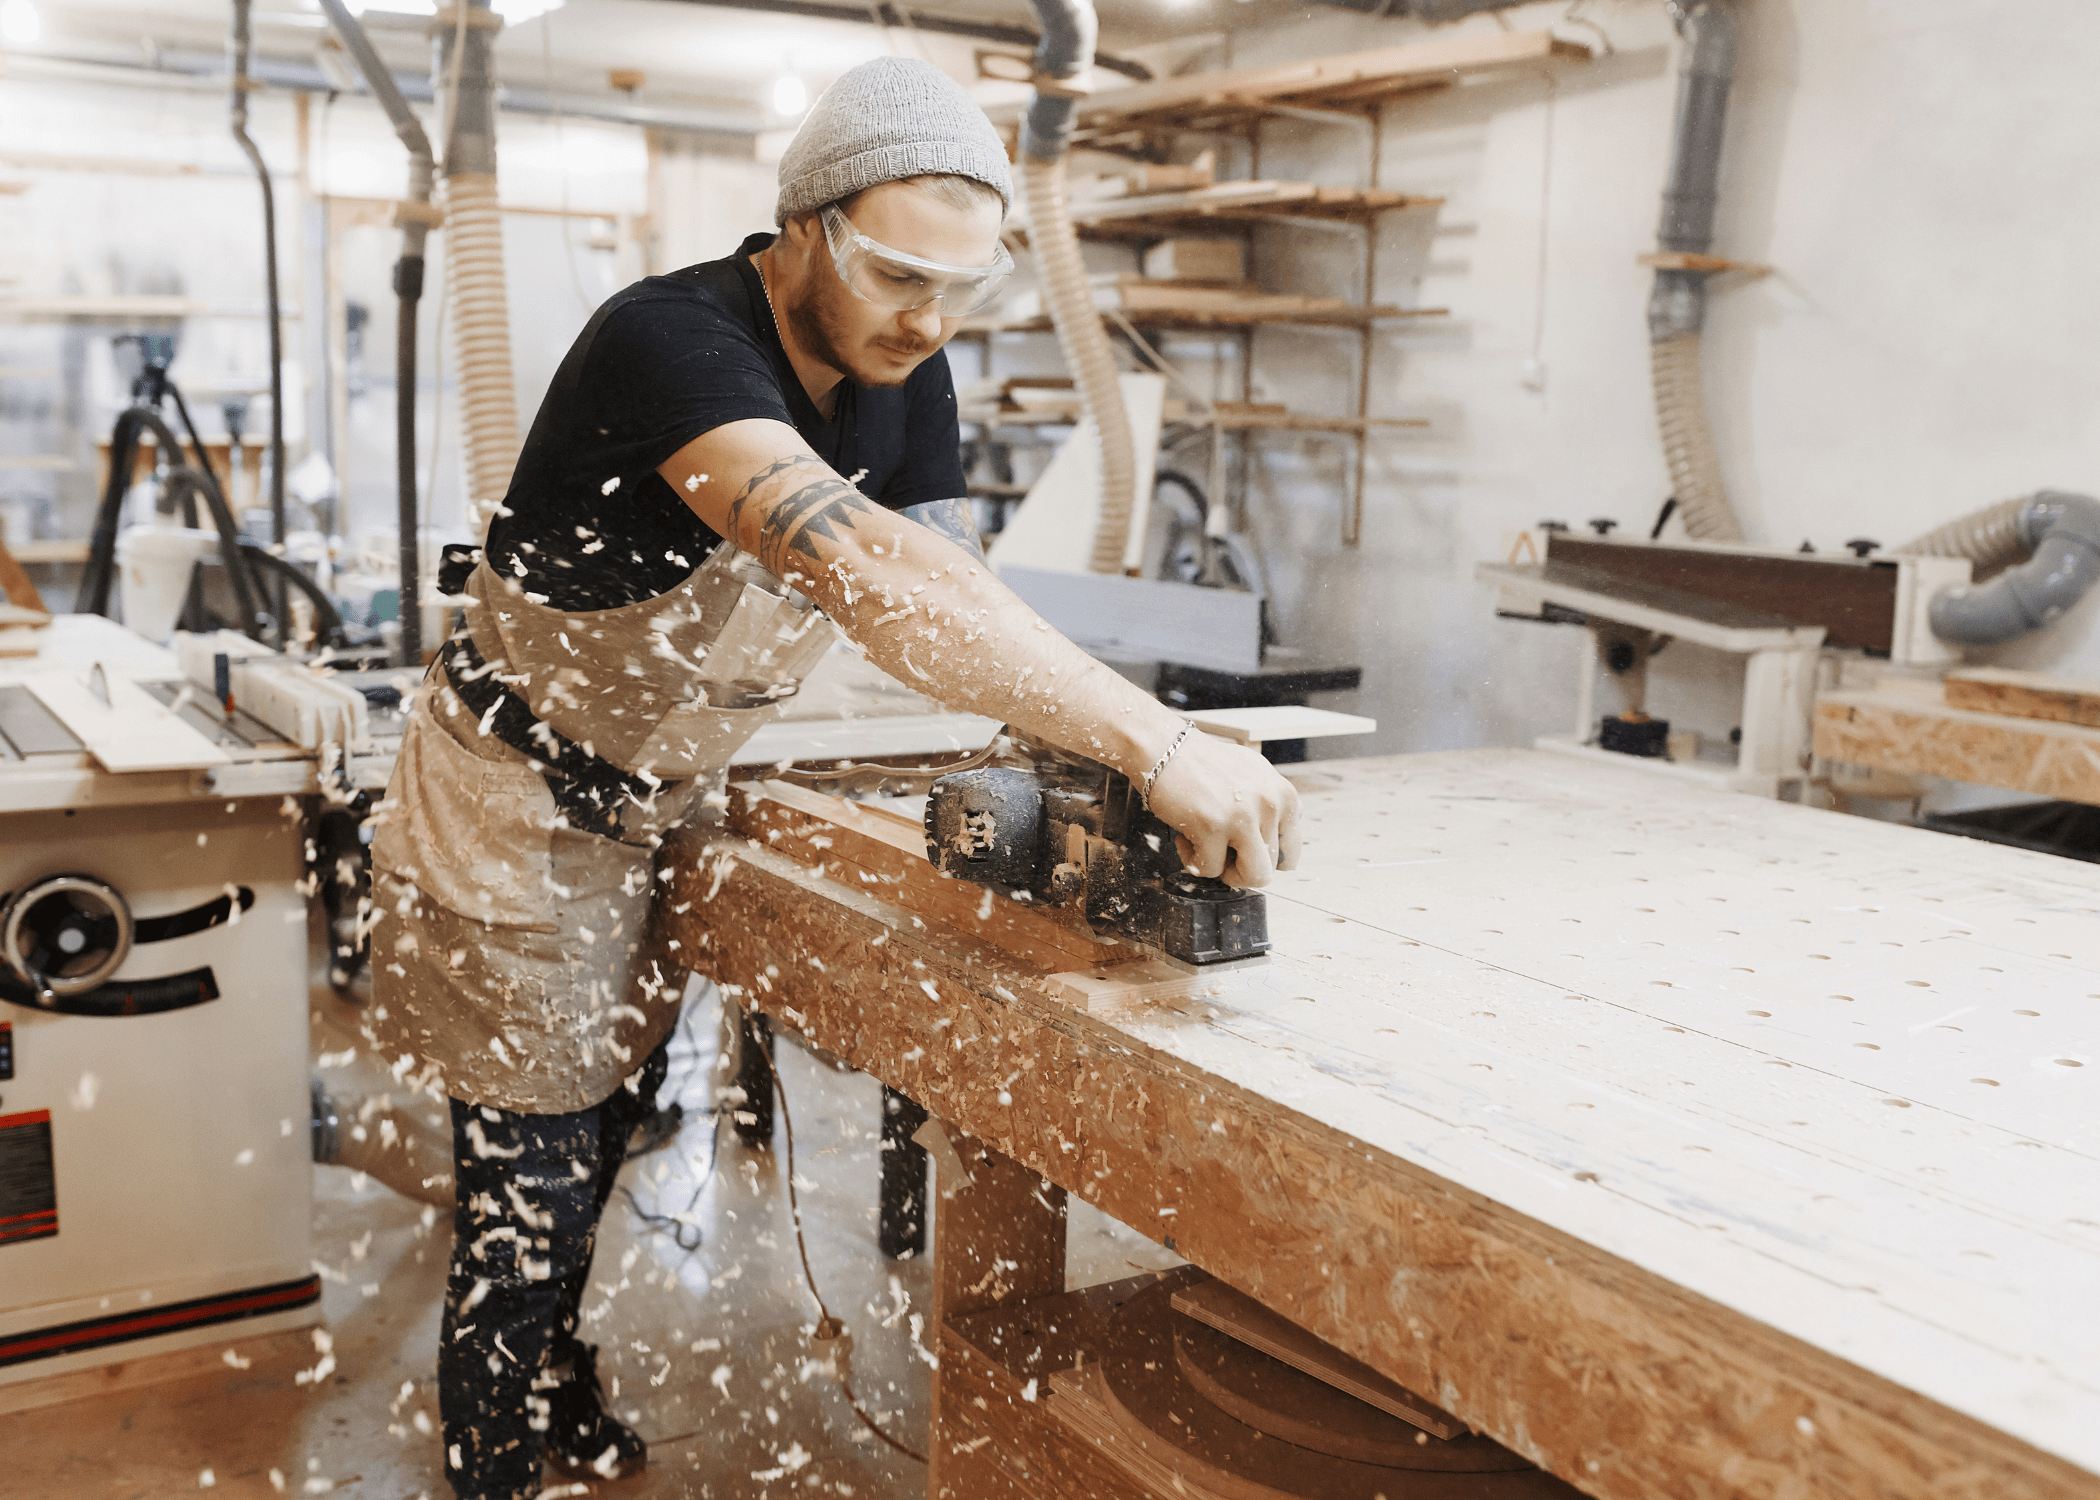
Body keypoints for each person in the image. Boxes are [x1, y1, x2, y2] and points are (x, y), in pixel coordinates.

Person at [366, 55, 1300, 1500]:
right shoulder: (668, 342)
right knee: (526, 1184)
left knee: (609, 1124)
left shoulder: (899, 366)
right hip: (515, 802)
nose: (927, 326)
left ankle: (556, 1375)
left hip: (659, 798)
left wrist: (1086, 754)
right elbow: (862, 568)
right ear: (800, 225)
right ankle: (489, 1457)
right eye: (895, 280)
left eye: (959, 293)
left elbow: (948, 588)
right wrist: (1157, 744)